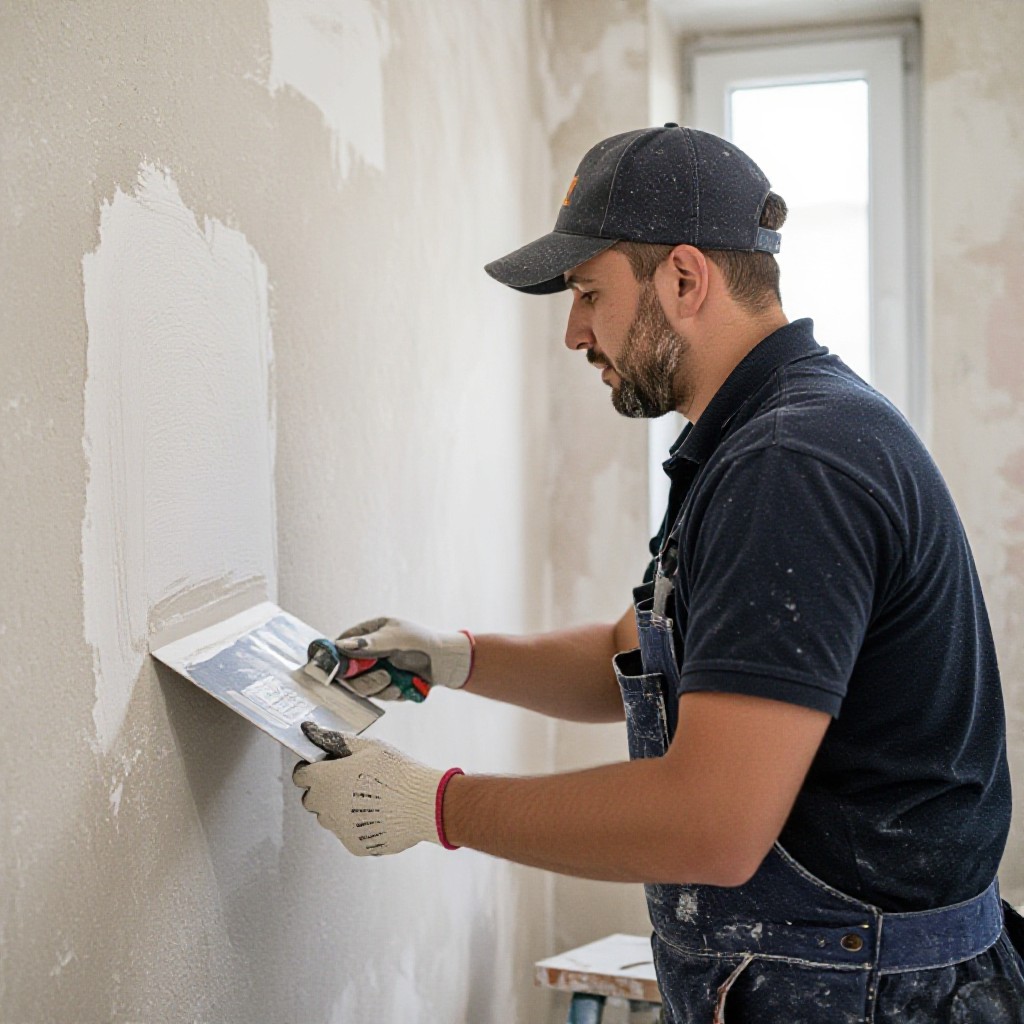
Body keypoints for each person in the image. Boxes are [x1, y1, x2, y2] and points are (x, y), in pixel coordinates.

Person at [293, 125, 1024, 1022]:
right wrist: (453, 658)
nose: (572, 332)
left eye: (588, 293)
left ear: (684, 279)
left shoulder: (792, 464)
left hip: (868, 994)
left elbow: (710, 824)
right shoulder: (752, 439)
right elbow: (635, 650)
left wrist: (435, 806)